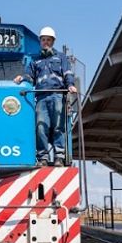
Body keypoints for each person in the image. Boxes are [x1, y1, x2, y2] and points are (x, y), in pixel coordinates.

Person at [14, 26, 77, 167]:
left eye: (48, 40)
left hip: (57, 95)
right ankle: (42, 157)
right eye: (43, 40)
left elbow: (67, 73)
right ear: (40, 41)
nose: (46, 42)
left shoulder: (61, 57)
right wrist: (21, 78)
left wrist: (71, 85)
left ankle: (59, 157)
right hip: (41, 97)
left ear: (53, 41)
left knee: (58, 127)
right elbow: (30, 77)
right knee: (41, 127)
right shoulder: (35, 60)